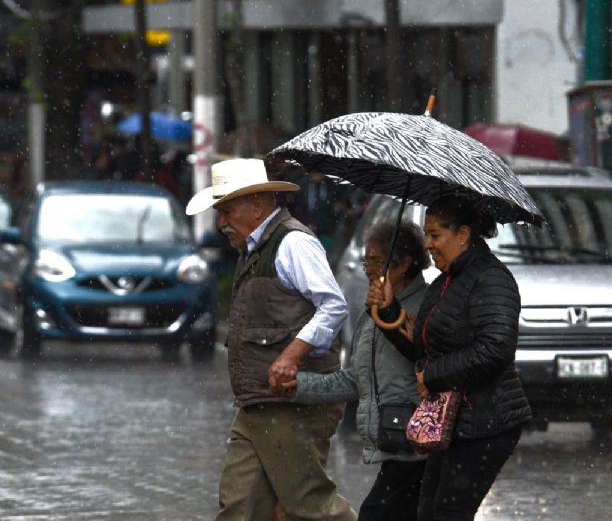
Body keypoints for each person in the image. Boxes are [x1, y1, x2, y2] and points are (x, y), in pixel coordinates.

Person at [184, 157, 356, 521]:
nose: (222, 223)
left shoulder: (293, 243)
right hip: (258, 402)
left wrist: (291, 357)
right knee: (241, 508)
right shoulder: (254, 248)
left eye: (227, 211)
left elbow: (333, 306)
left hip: (291, 403)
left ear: (257, 205)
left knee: (309, 506)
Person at [370, 195, 532, 521]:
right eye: (426, 235)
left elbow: (495, 349)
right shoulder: (445, 282)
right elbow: (424, 348)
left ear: (463, 235)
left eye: (435, 235)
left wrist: (432, 376)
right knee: (427, 512)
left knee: (448, 513)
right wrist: (388, 310)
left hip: (487, 422)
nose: (428, 244)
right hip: (452, 422)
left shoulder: (492, 280)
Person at [278, 221, 431, 521]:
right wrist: (299, 385)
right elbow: (356, 379)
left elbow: (429, 361)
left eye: (376, 260)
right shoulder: (371, 314)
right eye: (366, 260)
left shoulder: (426, 307)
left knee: (375, 514)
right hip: (393, 442)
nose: (368, 269)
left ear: (404, 264)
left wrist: (393, 314)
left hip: (417, 443)